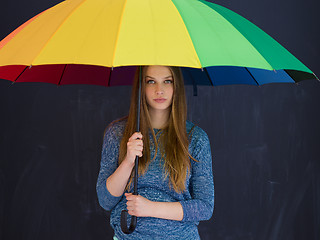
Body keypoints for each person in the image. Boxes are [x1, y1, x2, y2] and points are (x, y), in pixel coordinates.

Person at [96, 65, 214, 240]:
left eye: (167, 81)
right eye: (151, 81)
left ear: (177, 86)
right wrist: (128, 161)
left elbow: (204, 207)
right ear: (141, 87)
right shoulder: (118, 133)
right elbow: (106, 200)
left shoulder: (195, 138)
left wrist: (151, 208)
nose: (160, 90)